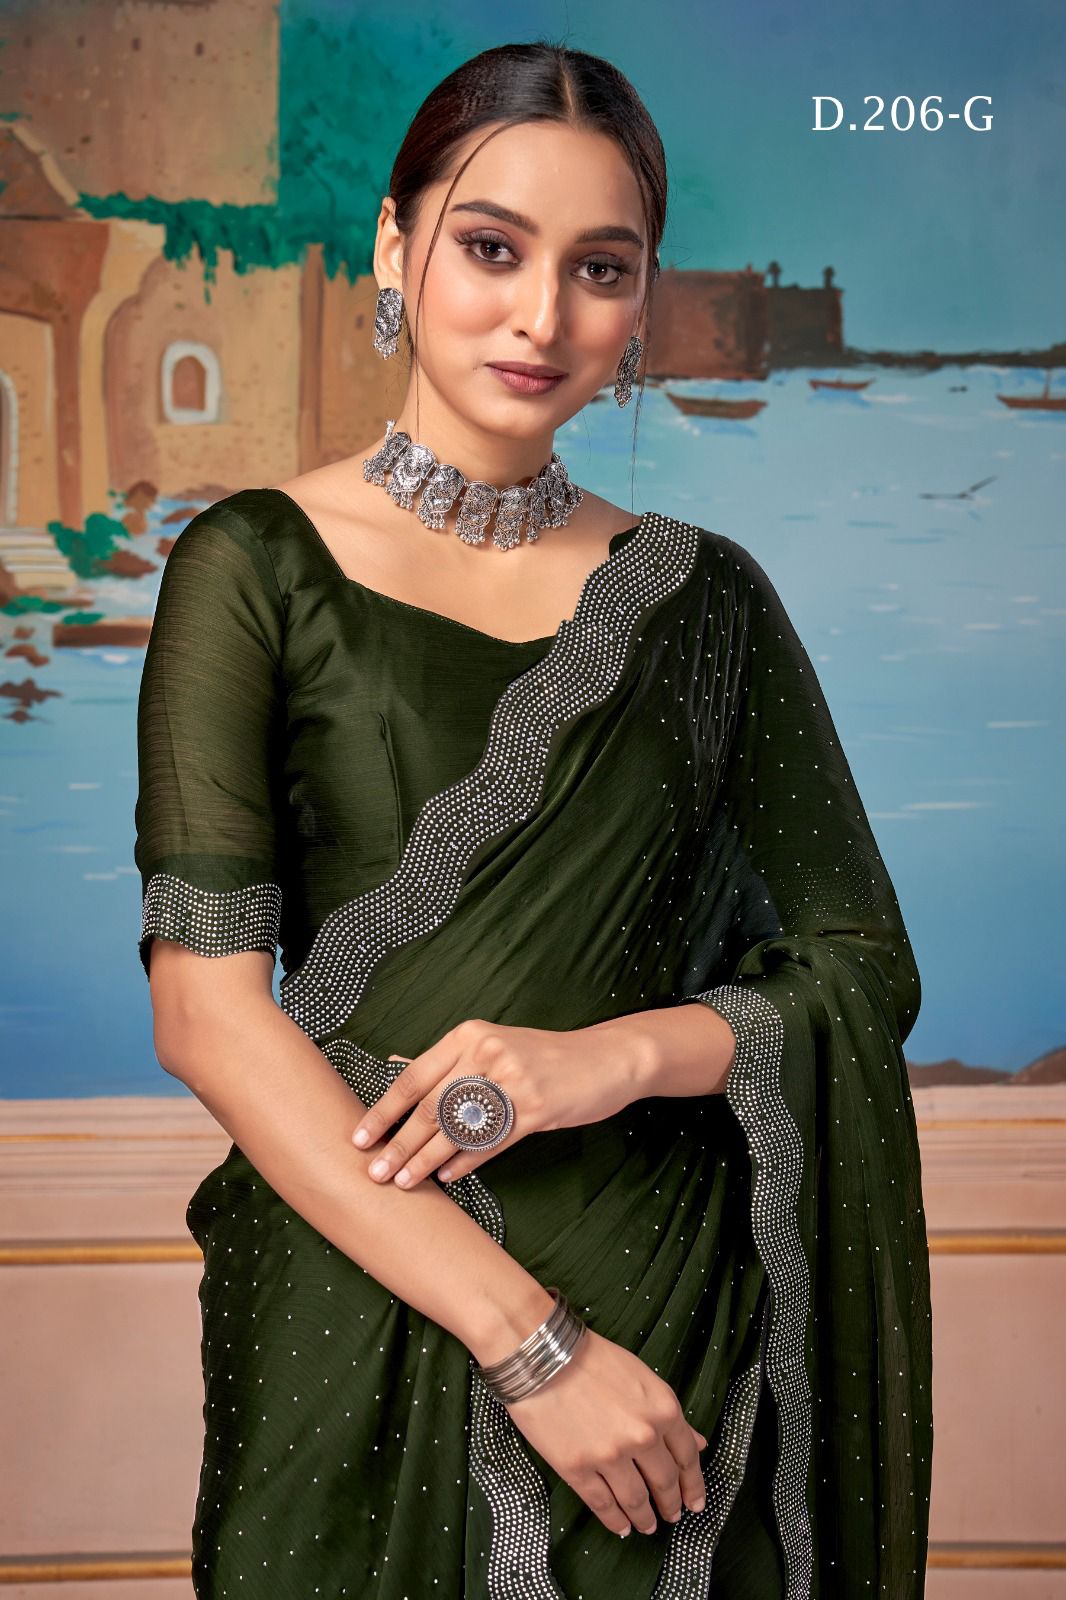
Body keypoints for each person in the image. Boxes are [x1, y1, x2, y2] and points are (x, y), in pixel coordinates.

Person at [134, 40, 933, 1600]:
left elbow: (857, 967)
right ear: (394, 248)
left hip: (673, 1319)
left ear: (638, 302)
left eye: (599, 269)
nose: (541, 315)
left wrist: (596, 1061)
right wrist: (534, 1346)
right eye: (492, 248)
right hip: (363, 1306)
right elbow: (207, 1016)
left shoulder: (704, 602)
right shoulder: (253, 566)